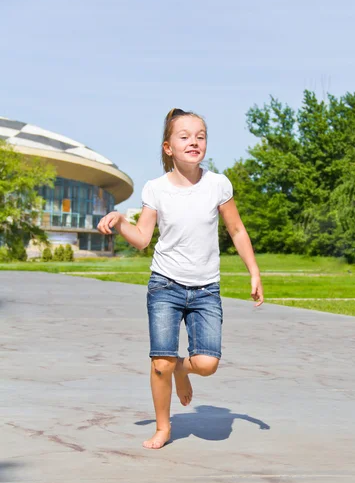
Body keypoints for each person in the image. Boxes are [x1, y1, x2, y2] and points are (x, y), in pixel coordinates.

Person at [97, 108, 264, 450]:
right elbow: (143, 238)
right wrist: (119, 221)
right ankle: (163, 427)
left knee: (207, 363)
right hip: (165, 287)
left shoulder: (218, 184)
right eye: (184, 136)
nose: (194, 142)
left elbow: (236, 228)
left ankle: (182, 370)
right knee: (161, 361)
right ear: (168, 147)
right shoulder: (156, 189)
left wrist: (254, 271)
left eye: (200, 136)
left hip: (206, 290)